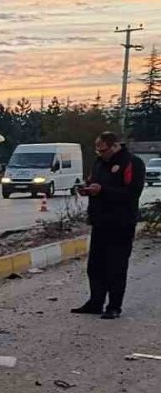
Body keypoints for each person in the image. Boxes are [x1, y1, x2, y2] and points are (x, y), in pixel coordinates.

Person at [71, 132, 145, 319]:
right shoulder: (99, 163)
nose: (100, 154)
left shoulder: (132, 163)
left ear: (114, 146)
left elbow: (132, 193)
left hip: (121, 223)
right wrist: (86, 189)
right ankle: (95, 302)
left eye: (103, 150)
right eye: (98, 150)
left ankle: (114, 306)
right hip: (100, 222)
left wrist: (103, 191)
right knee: (95, 266)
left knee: (116, 266)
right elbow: (92, 181)